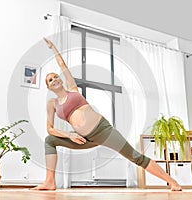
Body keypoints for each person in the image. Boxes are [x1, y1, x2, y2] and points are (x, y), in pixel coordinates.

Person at [32, 38, 182, 191]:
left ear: (61, 80)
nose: (54, 79)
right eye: (50, 80)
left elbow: (62, 65)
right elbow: (50, 129)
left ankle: (172, 182)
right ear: (48, 87)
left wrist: (54, 48)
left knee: (135, 156)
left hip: (103, 131)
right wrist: (70, 135)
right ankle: (49, 182)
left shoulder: (72, 89)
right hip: (83, 138)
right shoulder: (52, 104)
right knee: (50, 140)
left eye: (55, 76)